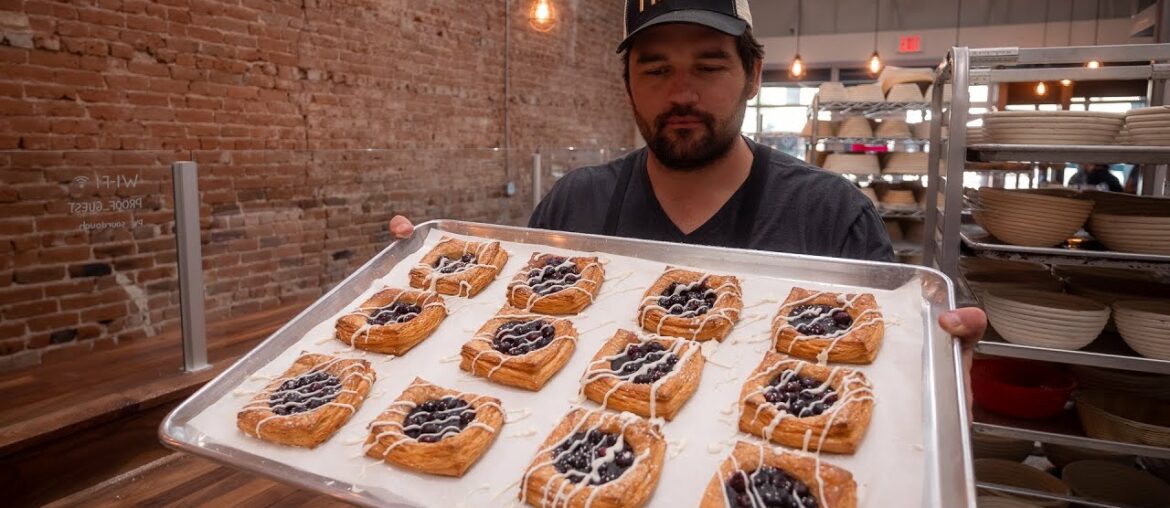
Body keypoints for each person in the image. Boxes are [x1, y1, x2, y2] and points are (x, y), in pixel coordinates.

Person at [390, 0, 986, 385]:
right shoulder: (576, 204)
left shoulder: (831, 215)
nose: (681, 94)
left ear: (753, 74)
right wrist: (410, 282)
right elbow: (507, 331)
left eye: (708, 66)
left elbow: (892, 372)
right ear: (626, 84)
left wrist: (940, 372)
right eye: (655, 70)